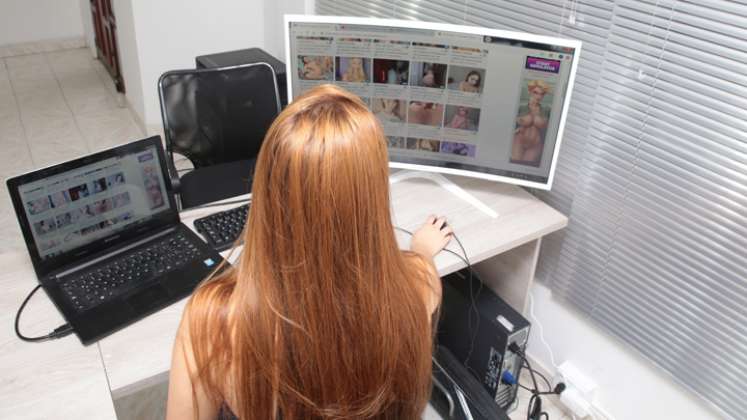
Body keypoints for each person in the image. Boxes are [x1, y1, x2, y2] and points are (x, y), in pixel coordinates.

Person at [166, 84, 453, 420]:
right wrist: (422, 249)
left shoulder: (211, 322)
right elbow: (422, 270)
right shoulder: (419, 286)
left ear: (268, 191)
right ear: (372, 195)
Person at [511, 79, 551, 165]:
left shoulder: (546, 110)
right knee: (514, 165)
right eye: (535, 92)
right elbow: (517, 122)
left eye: (542, 94)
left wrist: (534, 110)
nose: (538, 96)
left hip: (535, 144)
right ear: (530, 92)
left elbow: (544, 126)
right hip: (519, 140)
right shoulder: (520, 107)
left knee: (525, 167)